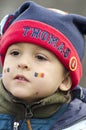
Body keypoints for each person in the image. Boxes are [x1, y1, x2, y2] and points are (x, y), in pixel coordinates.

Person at [0, 1, 86, 130]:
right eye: (15, 53)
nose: (23, 63)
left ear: (65, 81)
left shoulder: (78, 125)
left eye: (40, 57)